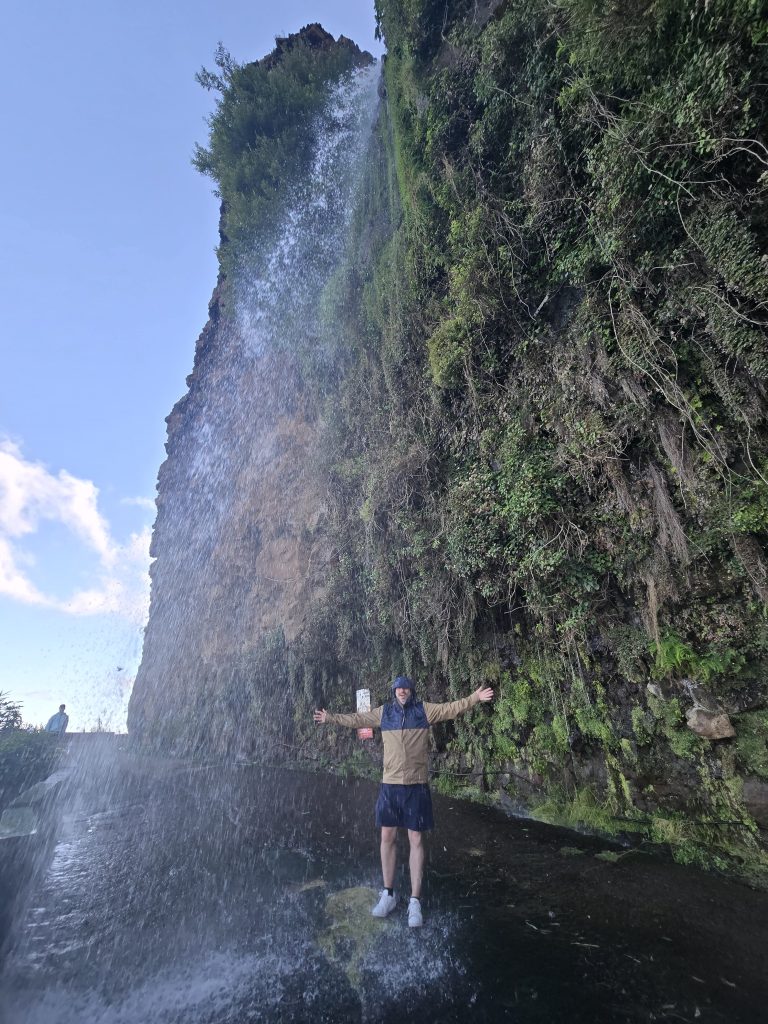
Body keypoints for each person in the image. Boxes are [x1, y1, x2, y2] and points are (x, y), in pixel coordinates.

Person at [314, 675, 493, 927]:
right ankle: (388, 893)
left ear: (411, 690)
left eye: (406, 687)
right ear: (393, 691)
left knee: (416, 838)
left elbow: (450, 709)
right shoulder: (384, 713)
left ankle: (415, 901)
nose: (402, 691)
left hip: (416, 786)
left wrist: (474, 698)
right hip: (390, 786)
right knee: (387, 836)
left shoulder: (424, 710)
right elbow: (357, 719)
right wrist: (330, 717)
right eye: (398, 688)